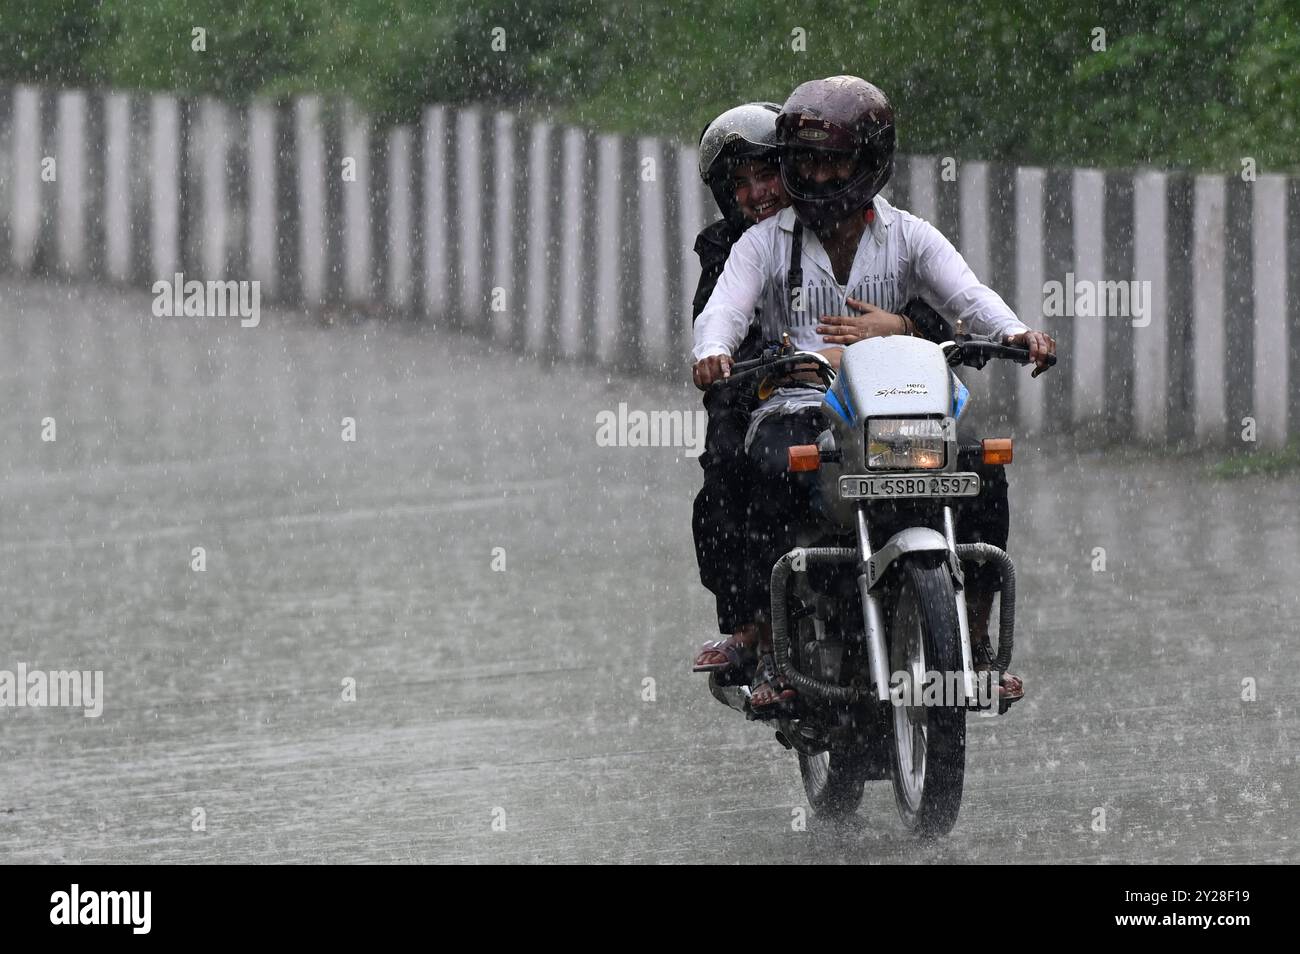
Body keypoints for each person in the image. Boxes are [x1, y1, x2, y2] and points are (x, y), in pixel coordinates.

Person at [693, 75, 1056, 710]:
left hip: (901, 408)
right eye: (809, 160)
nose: (823, 175)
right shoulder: (757, 243)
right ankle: (773, 650)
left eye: (837, 161)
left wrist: (1017, 331)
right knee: (766, 468)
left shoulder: (910, 235)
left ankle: (971, 641)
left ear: (871, 162)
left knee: (981, 467)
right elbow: (721, 311)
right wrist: (714, 351)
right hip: (800, 407)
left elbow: (967, 295)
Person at [688, 103, 790, 682]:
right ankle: (753, 629)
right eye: (741, 183)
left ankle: (968, 637)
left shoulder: (853, 222)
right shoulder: (726, 247)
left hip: (861, 389)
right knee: (729, 469)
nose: (756, 193)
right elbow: (714, 320)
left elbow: (923, 295)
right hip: (761, 394)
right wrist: (726, 357)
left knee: (967, 458)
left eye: (767, 174)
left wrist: (911, 327)